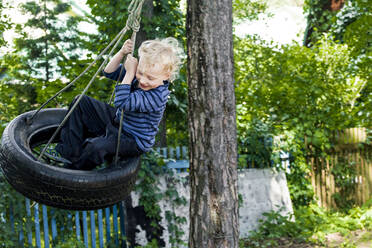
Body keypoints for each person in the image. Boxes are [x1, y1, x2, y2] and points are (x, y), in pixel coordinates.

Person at [55, 37, 183, 170]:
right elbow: (108, 72)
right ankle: (69, 153)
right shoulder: (138, 76)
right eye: (140, 72)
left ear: (166, 76)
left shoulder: (157, 97)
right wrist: (121, 53)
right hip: (119, 121)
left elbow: (122, 102)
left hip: (134, 140)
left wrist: (130, 73)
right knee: (81, 102)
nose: (143, 80)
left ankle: (73, 170)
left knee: (96, 147)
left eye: (150, 77)